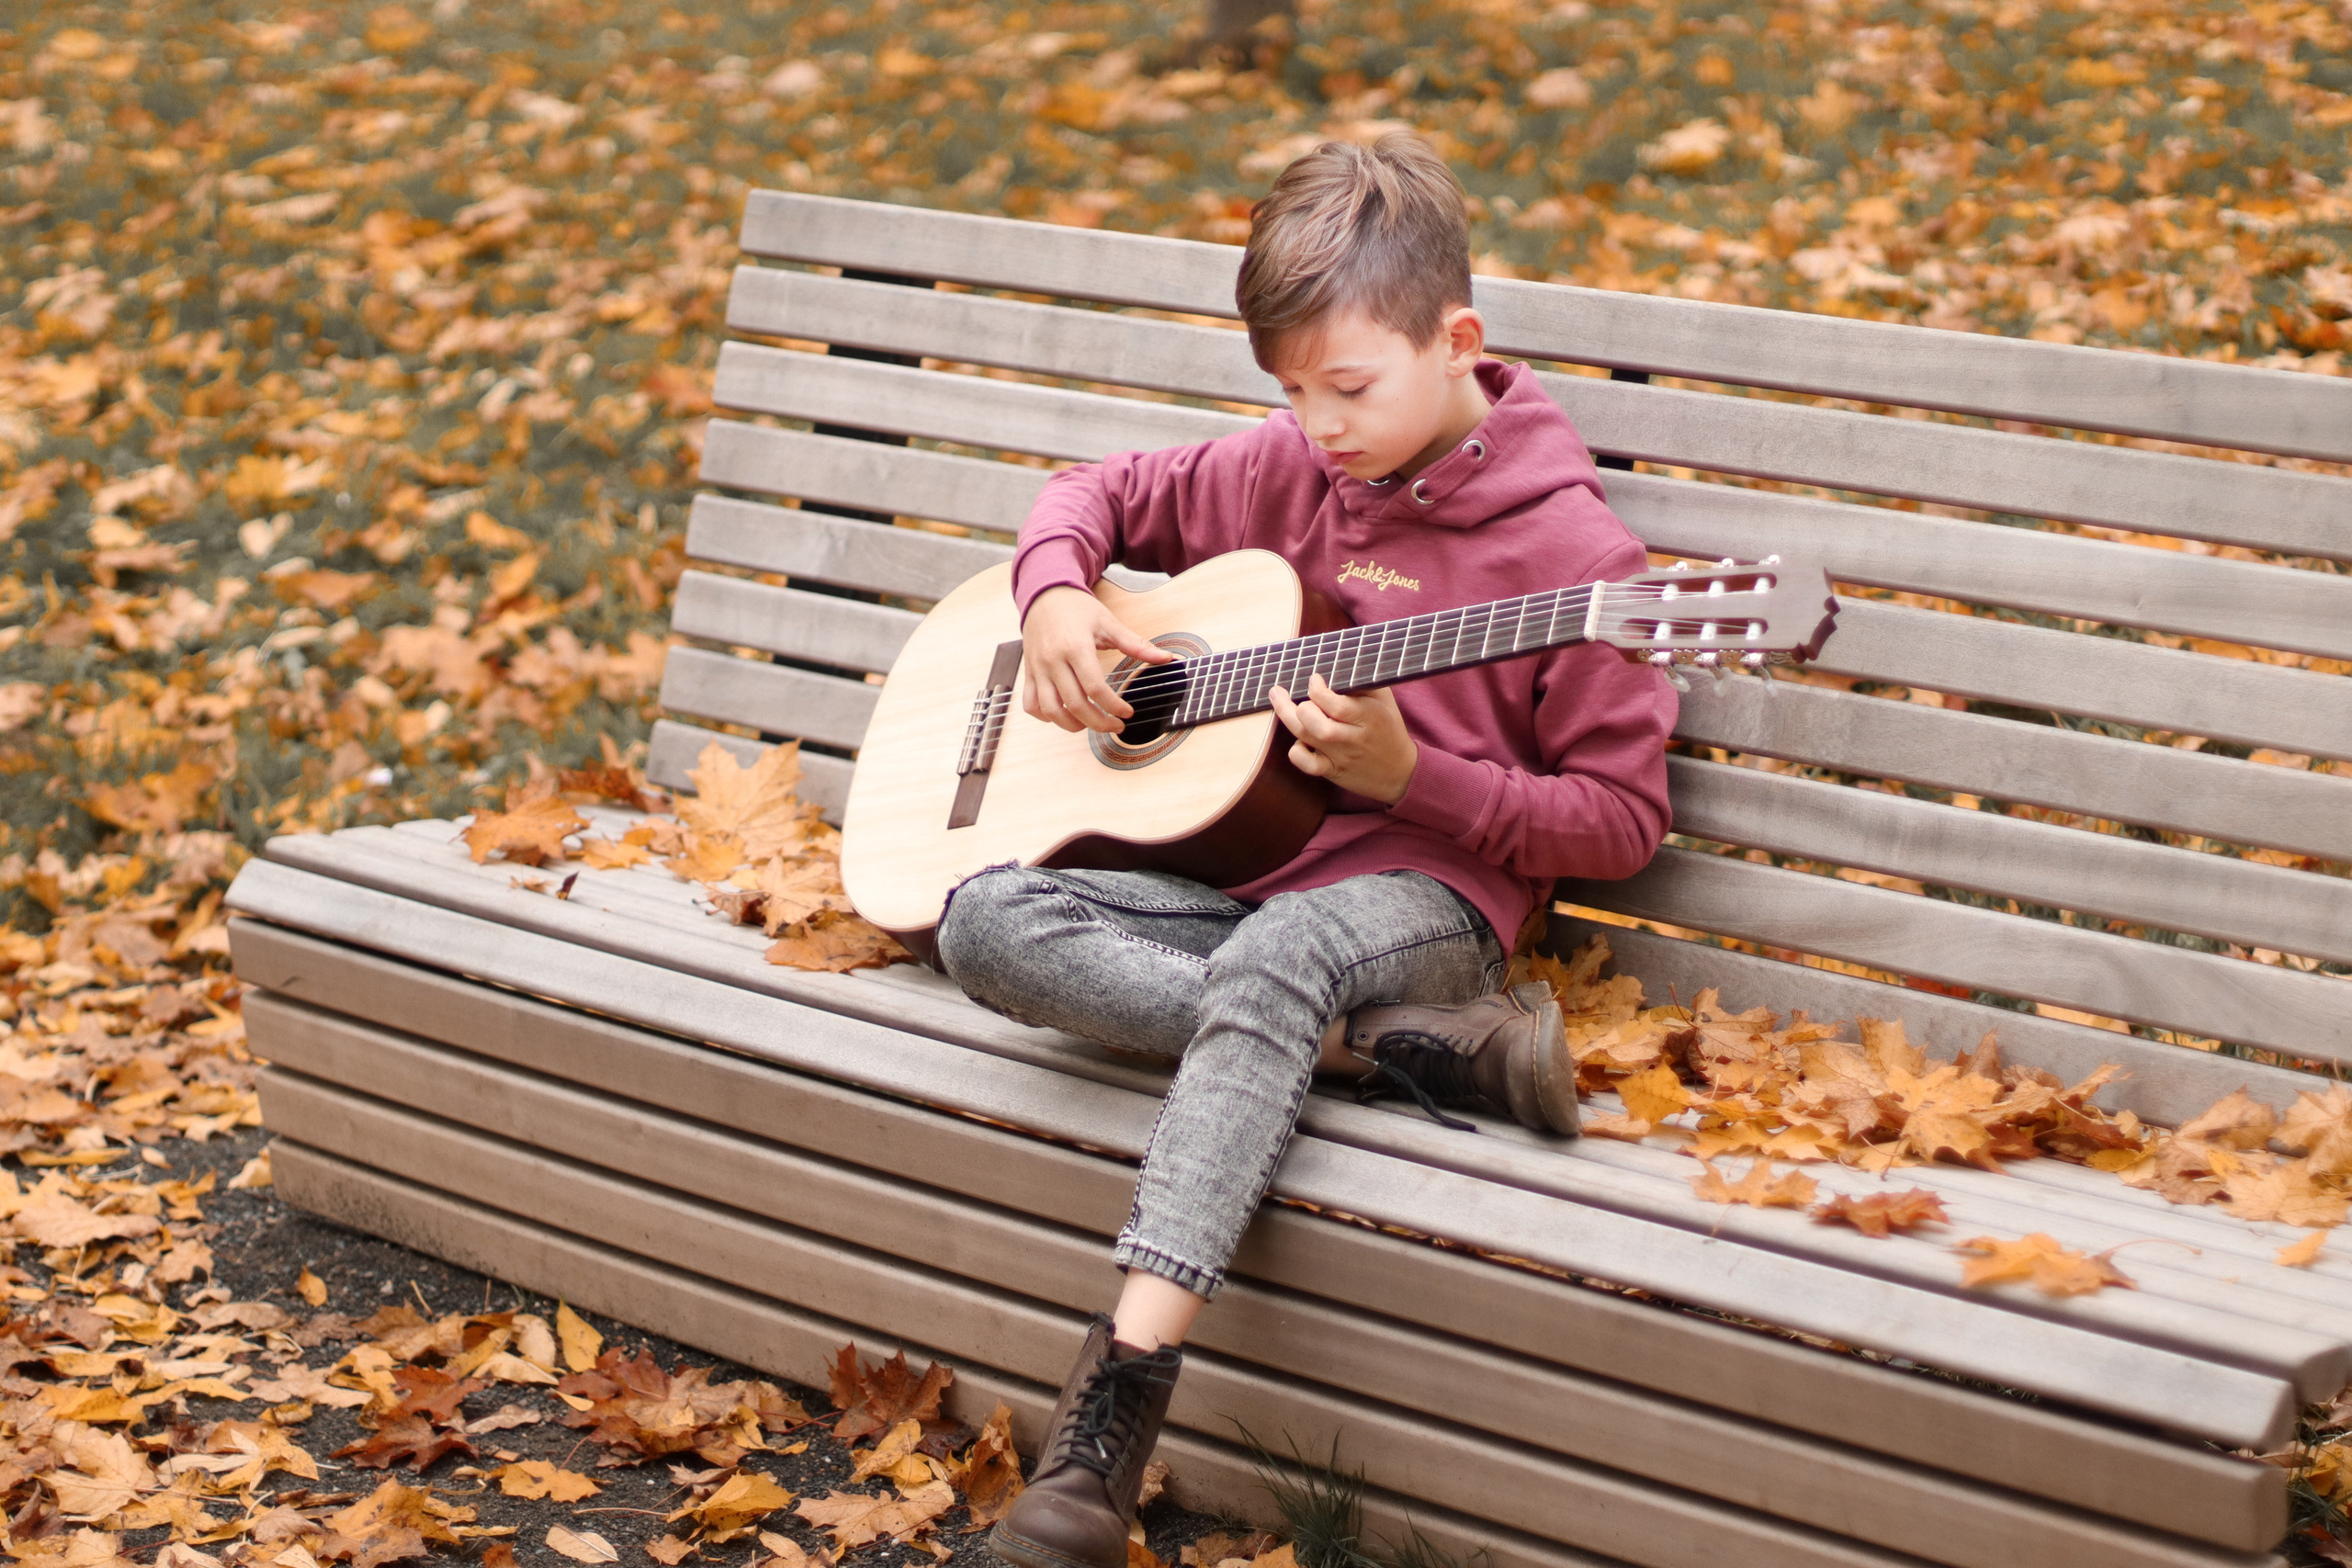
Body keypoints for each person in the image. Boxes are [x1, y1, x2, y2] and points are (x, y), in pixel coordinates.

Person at [933, 132, 1675, 1568]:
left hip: (1431, 895)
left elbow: (1621, 822)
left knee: (1279, 957)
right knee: (983, 920)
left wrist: (1427, 780)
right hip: (1251, 882)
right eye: (1286, 391)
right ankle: (1396, 1052)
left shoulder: (1581, 563)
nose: (1314, 425)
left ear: (1457, 339)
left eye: (1345, 389)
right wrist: (1055, 602)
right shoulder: (1287, 473)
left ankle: (1103, 1440)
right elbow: (1090, 494)